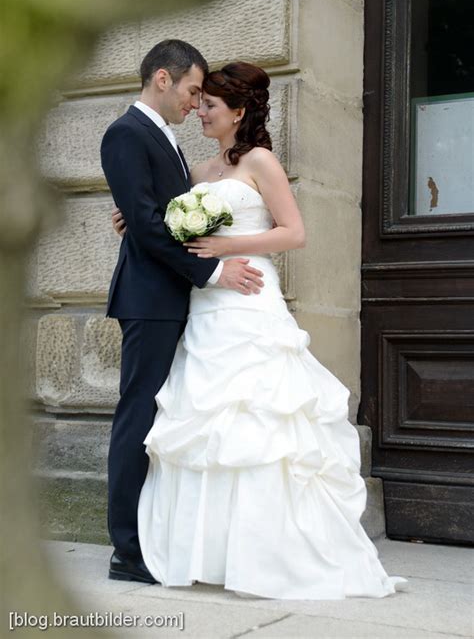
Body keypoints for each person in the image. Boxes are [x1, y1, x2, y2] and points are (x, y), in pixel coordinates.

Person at [113, 62, 408, 599]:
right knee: (208, 422)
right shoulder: (196, 171)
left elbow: (294, 233)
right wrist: (131, 220)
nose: (199, 111)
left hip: (248, 296)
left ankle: (271, 554)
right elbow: (169, 224)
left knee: (261, 420)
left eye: (210, 105)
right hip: (205, 305)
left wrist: (228, 248)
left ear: (239, 112)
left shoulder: (261, 161)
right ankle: (210, 552)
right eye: (198, 102)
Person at [100, 41, 265, 585]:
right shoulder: (127, 133)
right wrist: (214, 273)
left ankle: (158, 536)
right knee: (138, 418)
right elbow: (149, 227)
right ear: (164, 79)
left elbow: (157, 216)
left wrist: (142, 219)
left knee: (161, 418)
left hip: (173, 298)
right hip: (150, 299)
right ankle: (127, 550)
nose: (197, 104)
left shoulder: (164, 140)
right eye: (194, 91)